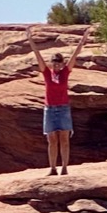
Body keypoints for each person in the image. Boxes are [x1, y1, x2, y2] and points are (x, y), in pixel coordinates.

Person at [30, 31, 82, 173]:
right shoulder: (47, 73)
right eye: (54, 62)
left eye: (59, 63)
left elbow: (75, 55)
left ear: (62, 63)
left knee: (64, 139)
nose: (57, 65)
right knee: (51, 140)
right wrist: (30, 40)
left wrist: (83, 39)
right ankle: (52, 168)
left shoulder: (65, 72)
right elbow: (38, 56)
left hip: (63, 109)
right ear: (51, 63)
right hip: (50, 109)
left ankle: (64, 167)